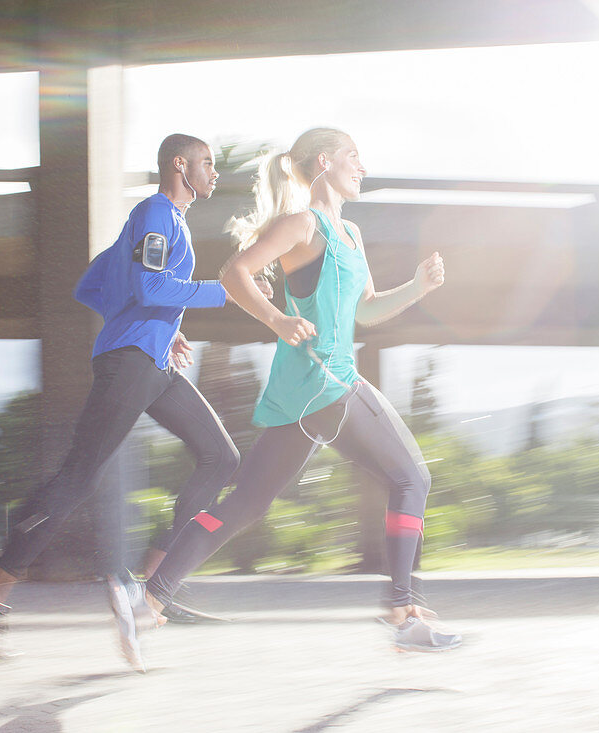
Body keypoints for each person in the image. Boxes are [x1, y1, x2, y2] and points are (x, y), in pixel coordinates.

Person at [141, 127, 461, 652]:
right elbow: (234, 272)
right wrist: (277, 319)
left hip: (305, 394)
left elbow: (366, 310)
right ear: (323, 162)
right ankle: (404, 613)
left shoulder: (350, 235)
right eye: (353, 156)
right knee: (412, 478)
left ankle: (148, 599)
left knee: (246, 503)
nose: (362, 166)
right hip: (329, 380)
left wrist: (419, 287)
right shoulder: (302, 224)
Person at [0, 133, 254, 671]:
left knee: (221, 457)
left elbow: (100, 286)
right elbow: (152, 287)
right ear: (179, 165)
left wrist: (162, 325)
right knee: (76, 479)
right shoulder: (156, 212)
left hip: (153, 363)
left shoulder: (169, 221)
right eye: (206, 164)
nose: (213, 173)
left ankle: (154, 588)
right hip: (130, 365)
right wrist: (217, 291)